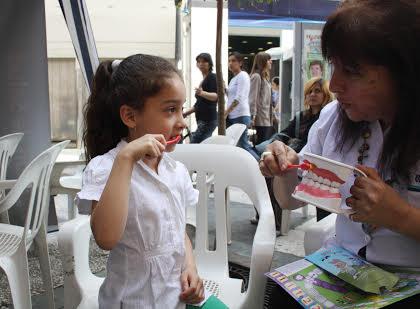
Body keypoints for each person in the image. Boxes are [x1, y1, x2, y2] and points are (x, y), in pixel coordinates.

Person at [261, 0, 420, 306]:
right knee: (281, 300)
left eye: (352, 71)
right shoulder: (334, 118)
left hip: (412, 279)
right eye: (334, 65)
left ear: (404, 70)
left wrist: (399, 216)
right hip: (344, 267)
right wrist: (285, 169)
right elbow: (290, 199)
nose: (334, 84)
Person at [77, 54, 204, 308]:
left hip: (175, 299)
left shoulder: (175, 170)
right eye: (170, 110)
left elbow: (178, 232)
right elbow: (105, 238)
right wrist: (125, 159)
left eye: (181, 109)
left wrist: (189, 267)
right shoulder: (106, 168)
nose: (181, 122)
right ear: (130, 117)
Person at [252, 77, 333, 227]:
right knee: (266, 174)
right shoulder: (300, 117)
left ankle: (276, 219)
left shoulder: (329, 117)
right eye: (309, 91)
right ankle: (268, 216)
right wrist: (272, 145)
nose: (312, 95)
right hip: (292, 159)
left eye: (317, 91)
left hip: (314, 167)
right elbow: (284, 133)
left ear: (326, 95)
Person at [225, 52, 259, 160]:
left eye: (233, 61)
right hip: (233, 115)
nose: (230, 63)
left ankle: (260, 165)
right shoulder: (233, 79)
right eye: (229, 61)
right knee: (237, 145)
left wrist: (226, 112)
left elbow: (239, 97)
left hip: (240, 115)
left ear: (240, 63)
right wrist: (225, 89)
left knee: (244, 144)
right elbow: (231, 95)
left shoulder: (243, 76)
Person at [183, 53, 218, 143]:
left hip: (208, 119)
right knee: (200, 144)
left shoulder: (212, 77)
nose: (201, 64)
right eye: (199, 62)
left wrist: (202, 93)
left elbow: (216, 97)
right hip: (202, 120)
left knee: (194, 144)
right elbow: (199, 104)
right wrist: (186, 113)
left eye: (204, 61)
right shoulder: (204, 79)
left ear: (209, 63)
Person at [249, 51, 273, 145]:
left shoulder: (265, 78)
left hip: (266, 118)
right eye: (268, 60)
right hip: (260, 119)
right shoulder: (256, 77)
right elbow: (252, 98)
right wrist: (253, 116)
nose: (271, 62)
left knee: (264, 144)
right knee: (260, 144)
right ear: (263, 62)